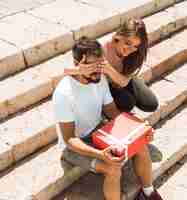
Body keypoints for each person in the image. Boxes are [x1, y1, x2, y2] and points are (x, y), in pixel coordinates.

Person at [52, 37, 163, 200]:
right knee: (113, 168)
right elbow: (69, 139)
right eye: (92, 67)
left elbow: (111, 111)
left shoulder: (100, 79)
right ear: (78, 64)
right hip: (74, 146)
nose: (99, 71)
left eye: (100, 65)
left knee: (141, 143)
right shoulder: (64, 93)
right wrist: (100, 154)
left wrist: (139, 129)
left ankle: (148, 192)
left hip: (98, 131)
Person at [64, 18, 159, 113]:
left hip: (124, 79)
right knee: (127, 102)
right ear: (118, 37)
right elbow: (66, 70)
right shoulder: (102, 48)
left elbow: (123, 82)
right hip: (106, 84)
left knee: (151, 104)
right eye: (127, 43)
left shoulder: (136, 53)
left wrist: (109, 69)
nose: (130, 49)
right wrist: (81, 70)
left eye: (135, 46)